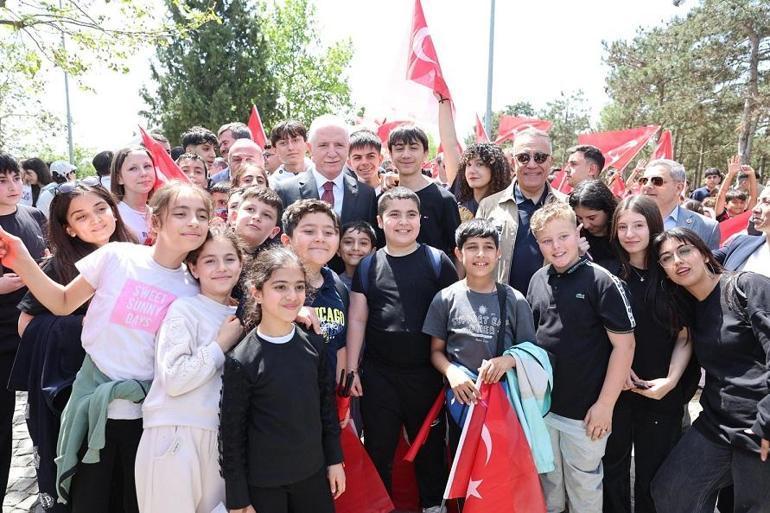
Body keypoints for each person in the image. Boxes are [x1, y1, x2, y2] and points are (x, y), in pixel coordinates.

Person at [0, 181, 210, 513]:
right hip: (93, 412)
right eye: (181, 213)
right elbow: (63, 301)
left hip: (151, 419)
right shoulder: (116, 255)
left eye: (202, 215)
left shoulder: (194, 286)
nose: (194, 222)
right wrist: (22, 259)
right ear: (154, 221)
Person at [13, 183, 134, 511]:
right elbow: (26, 324)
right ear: (68, 228)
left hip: (128, 387)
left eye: (101, 209)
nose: (95, 220)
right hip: (74, 390)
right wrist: (83, 327)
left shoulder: (134, 252)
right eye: (82, 216)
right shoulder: (60, 267)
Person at [345, 187, 457, 513]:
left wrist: (451, 369)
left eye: (410, 214)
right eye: (394, 215)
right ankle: (380, 507)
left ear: (420, 220)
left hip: (426, 376)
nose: (403, 222)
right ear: (380, 221)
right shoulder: (367, 266)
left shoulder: (438, 262)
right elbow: (357, 318)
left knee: (430, 450)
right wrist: (352, 369)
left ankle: (433, 505)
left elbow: (454, 318)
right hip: (379, 377)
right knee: (379, 450)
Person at [650, 228, 770, 513]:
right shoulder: (689, 309)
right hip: (717, 424)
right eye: (667, 258)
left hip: (759, 426)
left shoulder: (746, 287)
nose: (678, 260)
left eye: (684, 250)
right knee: (670, 493)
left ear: (704, 253)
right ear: (664, 271)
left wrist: (766, 425)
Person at [526, 202, 636, 513]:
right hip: (545, 407)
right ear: (538, 244)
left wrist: (605, 405)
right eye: (547, 241)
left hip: (585, 413)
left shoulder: (602, 281)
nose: (556, 246)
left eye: (563, 236)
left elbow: (624, 347)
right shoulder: (537, 280)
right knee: (550, 482)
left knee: (583, 484)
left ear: (578, 232)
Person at [219, 246, 345, 513]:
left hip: (312, 475)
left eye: (299, 287)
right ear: (257, 292)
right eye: (280, 287)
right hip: (265, 485)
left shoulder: (314, 345)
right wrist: (238, 497)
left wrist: (335, 459)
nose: (292, 296)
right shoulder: (241, 359)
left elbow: (326, 408)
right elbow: (231, 435)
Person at [136, 225, 244, 513]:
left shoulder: (243, 315)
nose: (221, 268)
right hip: (176, 433)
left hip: (222, 438)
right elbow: (174, 378)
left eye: (229, 259)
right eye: (210, 260)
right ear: (193, 268)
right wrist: (220, 345)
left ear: (241, 263)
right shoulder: (184, 310)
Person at [602, 195, 694, 513]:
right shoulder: (606, 275)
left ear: (653, 225)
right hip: (616, 391)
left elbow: (685, 336)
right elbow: (595, 335)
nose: (630, 234)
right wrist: (618, 370)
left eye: (638, 225)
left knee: (653, 476)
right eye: (623, 226)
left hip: (661, 394)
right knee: (613, 471)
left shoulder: (672, 274)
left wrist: (670, 380)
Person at [424, 218, 536, 443]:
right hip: (461, 400)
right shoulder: (445, 298)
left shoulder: (515, 299)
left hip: (503, 402)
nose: (481, 254)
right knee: (463, 467)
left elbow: (530, 351)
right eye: (472, 247)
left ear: (498, 254)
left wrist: (508, 360)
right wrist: (451, 372)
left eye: (488, 247)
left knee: (497, 469)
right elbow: (436, 351)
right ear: (458, 253)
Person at [0, 152, 47, 505]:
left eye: (15, 177)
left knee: (42, 420)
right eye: (3, 180)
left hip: (34, 332)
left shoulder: (34, 216)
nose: (12, 186)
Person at [476, 128, 567, 294]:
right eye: (524, 157)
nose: (532, 165)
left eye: (540, 157)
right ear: (513, 162)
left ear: (550, 162)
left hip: (552, 310)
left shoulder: (567, 206)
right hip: (499, 307)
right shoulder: (488, 206)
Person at [281, 200, 347, 380]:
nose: (320, 238)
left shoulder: (337, 285)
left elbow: (340, 344)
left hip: (326, 398)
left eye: (329, 232)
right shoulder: (271, 284)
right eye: (309, 231)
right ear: (287, 241)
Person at [387, 125, 460, 257]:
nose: (406, 155)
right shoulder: (384, 200)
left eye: (413, 148)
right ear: (391, 155)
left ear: (425, 154)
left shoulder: (444, 199)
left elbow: (458, 251)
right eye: (399, 148)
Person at [640, 158, 720, 249]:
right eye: (644, 181)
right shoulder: (624, 222)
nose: (647, 186)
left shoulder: (706, 227)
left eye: (657, 181)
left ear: (678, 188)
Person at [714, 186, 770, 275]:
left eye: (767, 202)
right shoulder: (740, 242)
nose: (755, 209)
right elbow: (705, 259)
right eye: (758, 201)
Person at [453, 143, 512, 220]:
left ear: (495, 169)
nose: (471, 171)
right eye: (468, 164)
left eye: (480, 164)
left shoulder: (508, 207)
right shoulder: (459, 209)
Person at [111, 146, 155, 244]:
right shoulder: (115, 216)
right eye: (133, 168)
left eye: (147, 166)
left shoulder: (160, 213)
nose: (143, 173)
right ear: (119, 178)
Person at [568, 179, 618, 266]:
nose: (586, 225)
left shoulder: (623, 233)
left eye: (592, 218)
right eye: (580, 218)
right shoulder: (574, 235)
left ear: (608, 210)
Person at [232, 186, 283, 256]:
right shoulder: (214, 246)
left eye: (266, 215)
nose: (257, 217)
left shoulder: (275, 264)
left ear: (274, 232)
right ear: (234, 218)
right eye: (250, 209)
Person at [715, 155, 758, 222]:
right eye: (734, 202)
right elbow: (722, 193)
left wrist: (752, 174)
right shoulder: (721, 216)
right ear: (725, 204)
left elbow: (753, 197)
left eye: (742, 202)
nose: (739, 205)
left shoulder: (747, 216)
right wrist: (730, 174)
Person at [269, 120, 312, 186]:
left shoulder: (322, 173)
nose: (290, 148)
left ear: (306, 144)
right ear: (275, 150)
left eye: (295, 140)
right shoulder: (273, 184)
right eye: (283, 143)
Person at [336, 221, 376, 290]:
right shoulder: (332, 284)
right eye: (348, 242)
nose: (355, 248)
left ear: (373, 251)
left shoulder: (381, 282)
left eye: (363, 243)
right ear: (338, 250)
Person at [347, 129, 384, 194]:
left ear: (380, 159)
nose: (364, 162)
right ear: (349, 163)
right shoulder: (346, 195)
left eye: (370, 156)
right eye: (357, 158)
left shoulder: (392, 191)